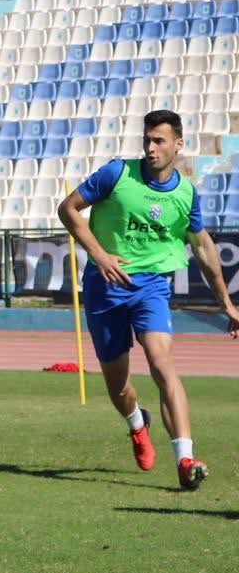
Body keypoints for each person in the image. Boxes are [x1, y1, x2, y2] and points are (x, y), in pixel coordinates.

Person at [58, 109, 239, 491]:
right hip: (104, 288)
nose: (151, 147)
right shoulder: (117, 174)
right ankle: (137, 424)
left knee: (162, 365)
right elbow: (68, 209)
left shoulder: (186, 192)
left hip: (151, 289)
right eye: (147, 140)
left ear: (178, 144)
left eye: (159, 140)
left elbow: (204, 247)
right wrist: (100, 255)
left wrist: (227, 303)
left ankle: (185, 458)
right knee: (120, 388)